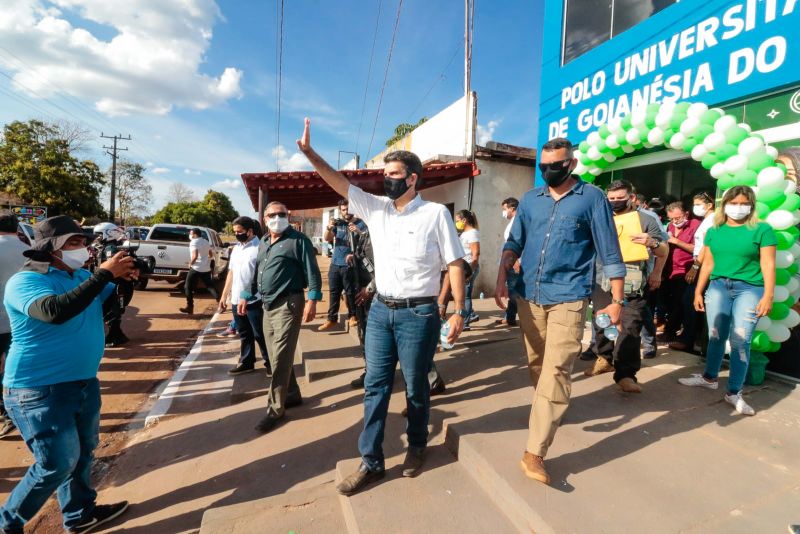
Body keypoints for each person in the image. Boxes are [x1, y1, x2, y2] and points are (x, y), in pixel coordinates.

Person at [296, 118, 466, 495]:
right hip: (380, 313)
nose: (385, 179)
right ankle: (370, 461)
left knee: (416, 387)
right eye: (384, 173)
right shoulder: (376, 209)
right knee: (375, 386)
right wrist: (309, 154)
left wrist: (457, 310)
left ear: (412, 179)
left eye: (393, 174)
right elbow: (339, 182)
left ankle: (417, 445)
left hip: (419, 314)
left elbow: (455, 263)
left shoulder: (435, 215)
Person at [495, 137, 626, 486]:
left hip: (569, 296)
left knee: (557, 368)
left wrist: (616, 300)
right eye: (543, 166)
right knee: (538, 365)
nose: (548, 171)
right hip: (528, 296)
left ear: (571, 164)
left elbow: (609, 251)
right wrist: (501, 277)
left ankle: (535, 450)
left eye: (556, 165)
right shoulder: (530, 200)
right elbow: (514, 243)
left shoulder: (592, 199)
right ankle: (549, 410)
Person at [0, 215, 134, 533]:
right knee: (56, 464)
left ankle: (78, 515)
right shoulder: (25, 282)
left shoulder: (79, 276)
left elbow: (104, 304)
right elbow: (55, 312)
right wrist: (102, 274)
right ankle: (7, 524)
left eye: (85, 242)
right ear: (51, 249)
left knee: (84, 453)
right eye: (75, 243)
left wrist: (126, 278)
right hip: (37, 390)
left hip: (83, 382)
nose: (84, 248)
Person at [679, 186, 776, 416]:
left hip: (749, 289)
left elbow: (768, 264)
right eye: (734, 203)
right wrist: (697, 291)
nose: (738, 207)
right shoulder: (715, 230)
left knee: (741, 341)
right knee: (715, 335)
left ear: (751, 205)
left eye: (744, 203)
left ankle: (734, 391)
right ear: (725, 205)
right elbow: (708, 263)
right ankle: (709, 377)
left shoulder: (762, 230)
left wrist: (768, 295)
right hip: (718, 287)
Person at [584, 180, 668, 391]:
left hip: (634, 282)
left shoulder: (647, 220)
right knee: (602, 321)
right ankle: (604, 358)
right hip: (601, 279)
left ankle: (626, 374)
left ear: (631, 197)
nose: (615, 202)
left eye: (620, 198)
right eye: (611, 199)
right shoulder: (601, 217)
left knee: (629, 326)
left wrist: (653, 246)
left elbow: (663, 249)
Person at [245, 201, 322, 433]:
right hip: (267, 305)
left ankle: (274, 409)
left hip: (289, 303)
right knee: (274, 353)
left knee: (279, 358)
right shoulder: (265, 242)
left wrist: (312, 301)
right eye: (273, 215)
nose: (278, 217)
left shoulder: (299, 241)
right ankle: (291, 393)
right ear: (264, 219)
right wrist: (245, 295)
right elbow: (258, 270)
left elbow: (313, 273)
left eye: (282, 214)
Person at [219, 216, 271, 376]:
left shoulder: (260, 247)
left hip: (254, 299)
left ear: (250, 231)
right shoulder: (236, 249)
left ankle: (271, 363)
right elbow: (231, 273)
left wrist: (248, 295)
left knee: (259, 333)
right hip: (236, 299)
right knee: (244, 333)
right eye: (234, 232)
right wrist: (224, 296)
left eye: (239, 231)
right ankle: (247, 362)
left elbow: (260, 276)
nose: (237, 234)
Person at [674, 192, 716, 353]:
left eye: (698, 204)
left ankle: (689, 340)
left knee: (691, 301)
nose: (695, 207)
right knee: (690, 302)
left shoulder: (712, 220)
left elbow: (706, 247)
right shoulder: (705, 220)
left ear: (709, 205)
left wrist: (695, 267)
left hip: (703, 265)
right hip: (700, 263)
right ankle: (692, 339)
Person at [0, 211, 29, 439]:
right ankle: (16, 412)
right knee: (15, 367)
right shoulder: (28, 251)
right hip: (22, 319)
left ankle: (4, 411)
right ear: (17, 227)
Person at [318, 199, 367, 331]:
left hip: (350, 263)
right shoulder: (338, 224)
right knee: (334, 291)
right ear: (340, 210)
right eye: (343, 210)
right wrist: (329, 227)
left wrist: (358, 231)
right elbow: (327, 238)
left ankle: (353, 316)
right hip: (335, 262)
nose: (346, 212)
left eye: (348, 209)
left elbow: (368, 241)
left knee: (350, 291)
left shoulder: (361, 223)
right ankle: (331, 319)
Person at [660, 202, 701, 346]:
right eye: (671, 219)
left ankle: (684, 336)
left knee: (683, 304)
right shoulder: (671, 226)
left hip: (687, 271)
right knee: (669, 303)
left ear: (686, 214)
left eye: (678, 218)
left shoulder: (696, 225)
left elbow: (699, 250)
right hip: (670, 271)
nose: (675, 221)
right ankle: (670, 330)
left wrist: (676, 241)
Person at [91, 222, 135, 348]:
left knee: (113, 310)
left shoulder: (111, 249)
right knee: (109, 310)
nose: (97, 238)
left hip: (116, 285)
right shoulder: (104, 247)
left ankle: (115, 336)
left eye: (99, 235)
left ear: (108, 233)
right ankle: (117, 335)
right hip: (110, 284)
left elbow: (117, 268)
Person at [181, 228, 219, 314]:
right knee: (210, 286)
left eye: (190, 234)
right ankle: (220, 301)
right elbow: (210, 254)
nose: (190, 235)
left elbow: (195, 255)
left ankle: (189, 307)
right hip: (206, 268)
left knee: (187, 287)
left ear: (194, 234)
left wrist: (191, 263)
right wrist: (205, 260)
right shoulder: (205, 241)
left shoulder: (194, 242)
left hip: (196, 268)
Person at [495, 197, 520, 327]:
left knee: (514, 292)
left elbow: (516, 244)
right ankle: (509, 316)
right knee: (512, 291)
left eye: (505, 209)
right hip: (509, 263)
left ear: (512, 208)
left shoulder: (517, 223)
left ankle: (511, 317)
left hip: (513, 263)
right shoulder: (512, 223)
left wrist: (515, 262)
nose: (504, 213)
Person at [455, 209, 481, 327]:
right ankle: (471, 314)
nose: (456, 223)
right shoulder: (464, 233)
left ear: (464, 220)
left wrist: (470, 272)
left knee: (465, 295)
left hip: (469, 268)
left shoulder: (472, 233)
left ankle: (465, 321)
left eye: (458, 220)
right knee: (462, 293)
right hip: (463, 268)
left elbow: (475, 254)